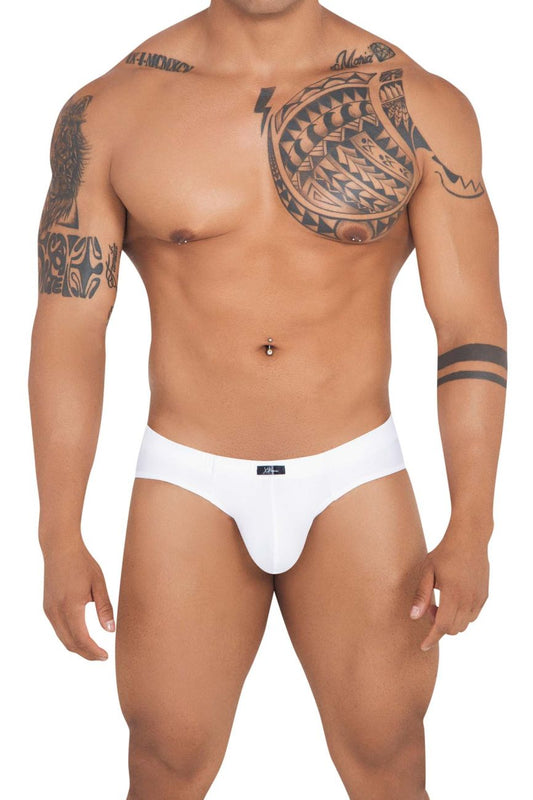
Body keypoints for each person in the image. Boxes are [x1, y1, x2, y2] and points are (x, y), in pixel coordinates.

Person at [28, 1, 507, 798]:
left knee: (387, 755)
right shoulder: (113, 108)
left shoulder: (420, 103)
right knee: (165, 760)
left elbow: (468, 326)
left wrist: (472, 527)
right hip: (189, 474)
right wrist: (58, 535)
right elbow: (70, 331)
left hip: (353, 469)